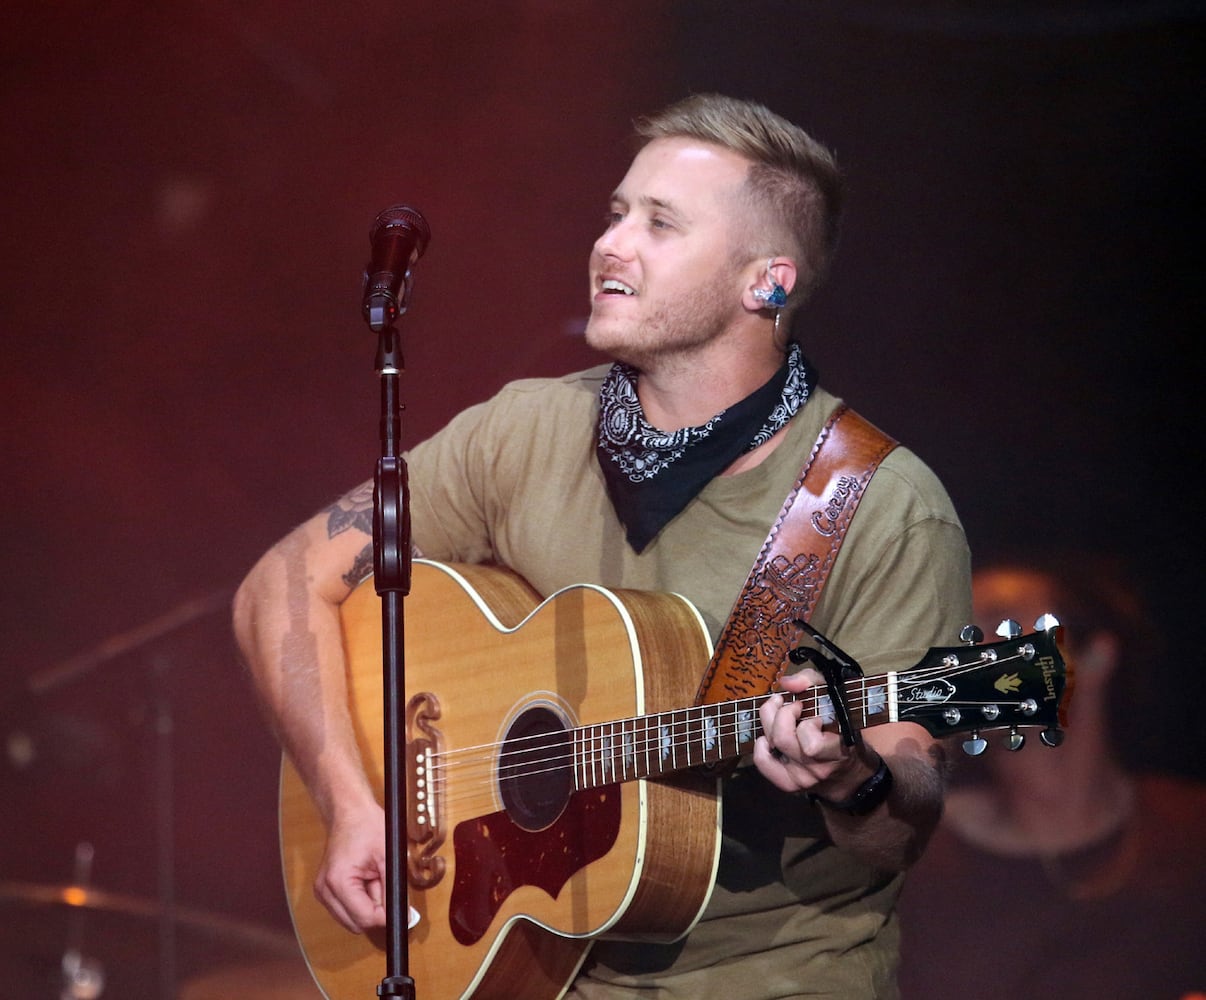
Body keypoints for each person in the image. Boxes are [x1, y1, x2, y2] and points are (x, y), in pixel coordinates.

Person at [233, 93, 972, 999]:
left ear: (768, 283)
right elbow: (280, 585)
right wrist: (353, 807)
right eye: (617, 212)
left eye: (661, 224)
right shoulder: (523, 430)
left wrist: (850, 775)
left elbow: (905, 817)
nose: (611, 244)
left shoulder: (878, 505)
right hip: (526, 968)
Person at [897, 552, 1206, 1000]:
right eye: (958, 633)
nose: (967, 650)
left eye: (1000, 622)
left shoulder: (1192, 830)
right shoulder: (909, 854)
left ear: (1095, 658)